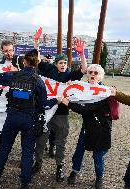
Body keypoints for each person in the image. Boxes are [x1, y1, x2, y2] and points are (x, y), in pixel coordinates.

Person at [0, 50, 49, 189]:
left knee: (4, 149)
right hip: (29, 120)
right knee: (27, 152)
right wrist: (56, 102)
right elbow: (42, 104)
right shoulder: (38, 81)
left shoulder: (14, 76)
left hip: (12, 117)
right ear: (37, 63)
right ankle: (25, 182)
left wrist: (13, 71)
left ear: (24, 62)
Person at [32, 38, 87, 182]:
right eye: (60, 63)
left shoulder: (69, 74)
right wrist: (36, 42)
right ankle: (37, 163)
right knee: (41, 140)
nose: (63, 65)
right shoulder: (49, 70)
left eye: (65, 63)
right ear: (56, 64)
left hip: (62, 113)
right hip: (46, 112)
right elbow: (37, 60)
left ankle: (59, 167)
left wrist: (81, 55)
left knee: (60, 142)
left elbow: (84, 70)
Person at [61, 64, 112, 189]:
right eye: (90, 72)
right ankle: (75, 171)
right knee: (79, 151)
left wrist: (69, 104)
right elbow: (73, 93)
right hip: (87, 126)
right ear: (87, 75)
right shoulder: (84, 88)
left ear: (101, 77)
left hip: (101, 128)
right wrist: (68, 88)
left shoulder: (104, 92)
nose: (92, 75)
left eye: (96, 73)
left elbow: (87, 110)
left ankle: (99, 177)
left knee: (98, 156)